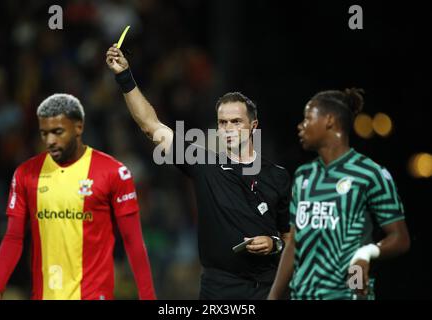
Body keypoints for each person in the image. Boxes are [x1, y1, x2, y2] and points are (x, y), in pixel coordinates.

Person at [106, 45, 291, 299]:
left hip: (269, 289)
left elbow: (290, 239)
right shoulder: (204, 164)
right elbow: (151, 126)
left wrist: (274, 244)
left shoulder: (278, 176)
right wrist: (124, 76)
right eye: (222, 122)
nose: (228, 128)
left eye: (236, 122)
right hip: (220, 289)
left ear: (253, 126)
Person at [0, 94, 156, 300]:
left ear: (78, 128)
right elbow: (14, 237)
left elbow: (133, 239)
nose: (50, 141)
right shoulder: (25, 174)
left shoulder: (113, 172)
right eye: (44, 133)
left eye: (57, 132)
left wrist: (147, 295)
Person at [268, 88, 410, 300]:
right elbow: (293, 243)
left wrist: (366, 253)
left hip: (347, 294)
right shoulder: (303, 175)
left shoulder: (370, 174)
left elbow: (400, 238)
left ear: (329, 120)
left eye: (307, 118)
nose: (301, 126)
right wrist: (273, 297)